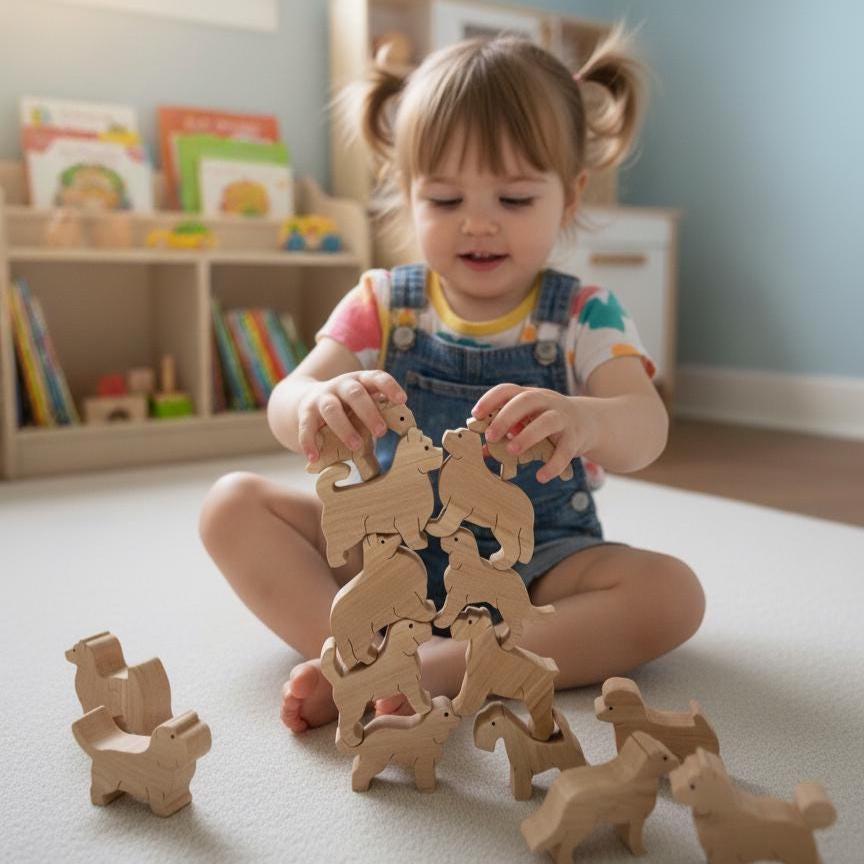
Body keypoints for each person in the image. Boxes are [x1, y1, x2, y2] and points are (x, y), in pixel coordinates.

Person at [199, 28, 705, 734]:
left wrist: (587, 419)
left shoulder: (586, 314)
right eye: (443, 199)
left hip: (537, 564)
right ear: (406, 194)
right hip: (386, 554)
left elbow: (646, 427)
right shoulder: (381, 301)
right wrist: (317, 400)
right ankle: (355, 653)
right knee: (230, 505)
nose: (478, 223)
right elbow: (286, 401)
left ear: (569, 197)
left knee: (672, 595)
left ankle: (438, 667)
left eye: (515, 199)